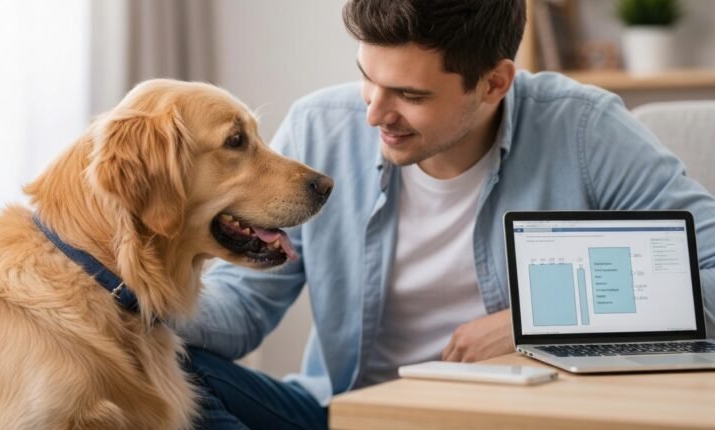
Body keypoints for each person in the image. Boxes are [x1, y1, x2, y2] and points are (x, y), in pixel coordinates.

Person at [177, 0, 715, 428]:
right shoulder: (320, 126)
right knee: (163, 367)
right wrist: (134, 300)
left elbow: (709, 272)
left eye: (409, 94)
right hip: (345, 413)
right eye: (367, 76)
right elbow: (244, 307)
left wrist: (534, 325)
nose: (373, 113)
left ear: (494, 83)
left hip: (508, 418)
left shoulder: (583, 129)